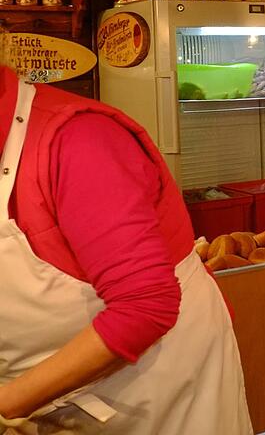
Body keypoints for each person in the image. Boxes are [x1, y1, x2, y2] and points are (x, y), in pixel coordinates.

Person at [0, 64, 250, 433]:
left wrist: (8, 403)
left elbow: (144, 307)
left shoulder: (79, 140)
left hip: (157, 395)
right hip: (48, 406)